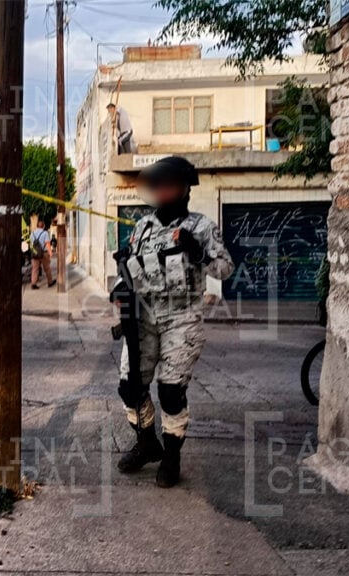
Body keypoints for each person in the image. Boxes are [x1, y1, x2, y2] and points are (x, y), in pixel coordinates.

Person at [114, 156, 234, 488]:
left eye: (170, 187)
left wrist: (198, 252)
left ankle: (171, 455)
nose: (163, 193)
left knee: (170, 390)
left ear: (184, 189)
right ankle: (146, 442)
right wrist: (119, 290)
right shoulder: (142, 227)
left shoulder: (201, 226)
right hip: (144, 316)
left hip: (182, 317)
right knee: (130, 386)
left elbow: (224, 269)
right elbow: (128, 269)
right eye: (158, 187)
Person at [29, 220, 55, 289]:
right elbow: (47, 243)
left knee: (35, 269)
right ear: (43, 226)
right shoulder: (45, 233)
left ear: (37, 226)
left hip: (34, 253)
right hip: (43, 253)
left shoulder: (32, 233)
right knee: (47, 268)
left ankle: (33, 283)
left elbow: (31, 244)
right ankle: (50, 282)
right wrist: (50, 252)